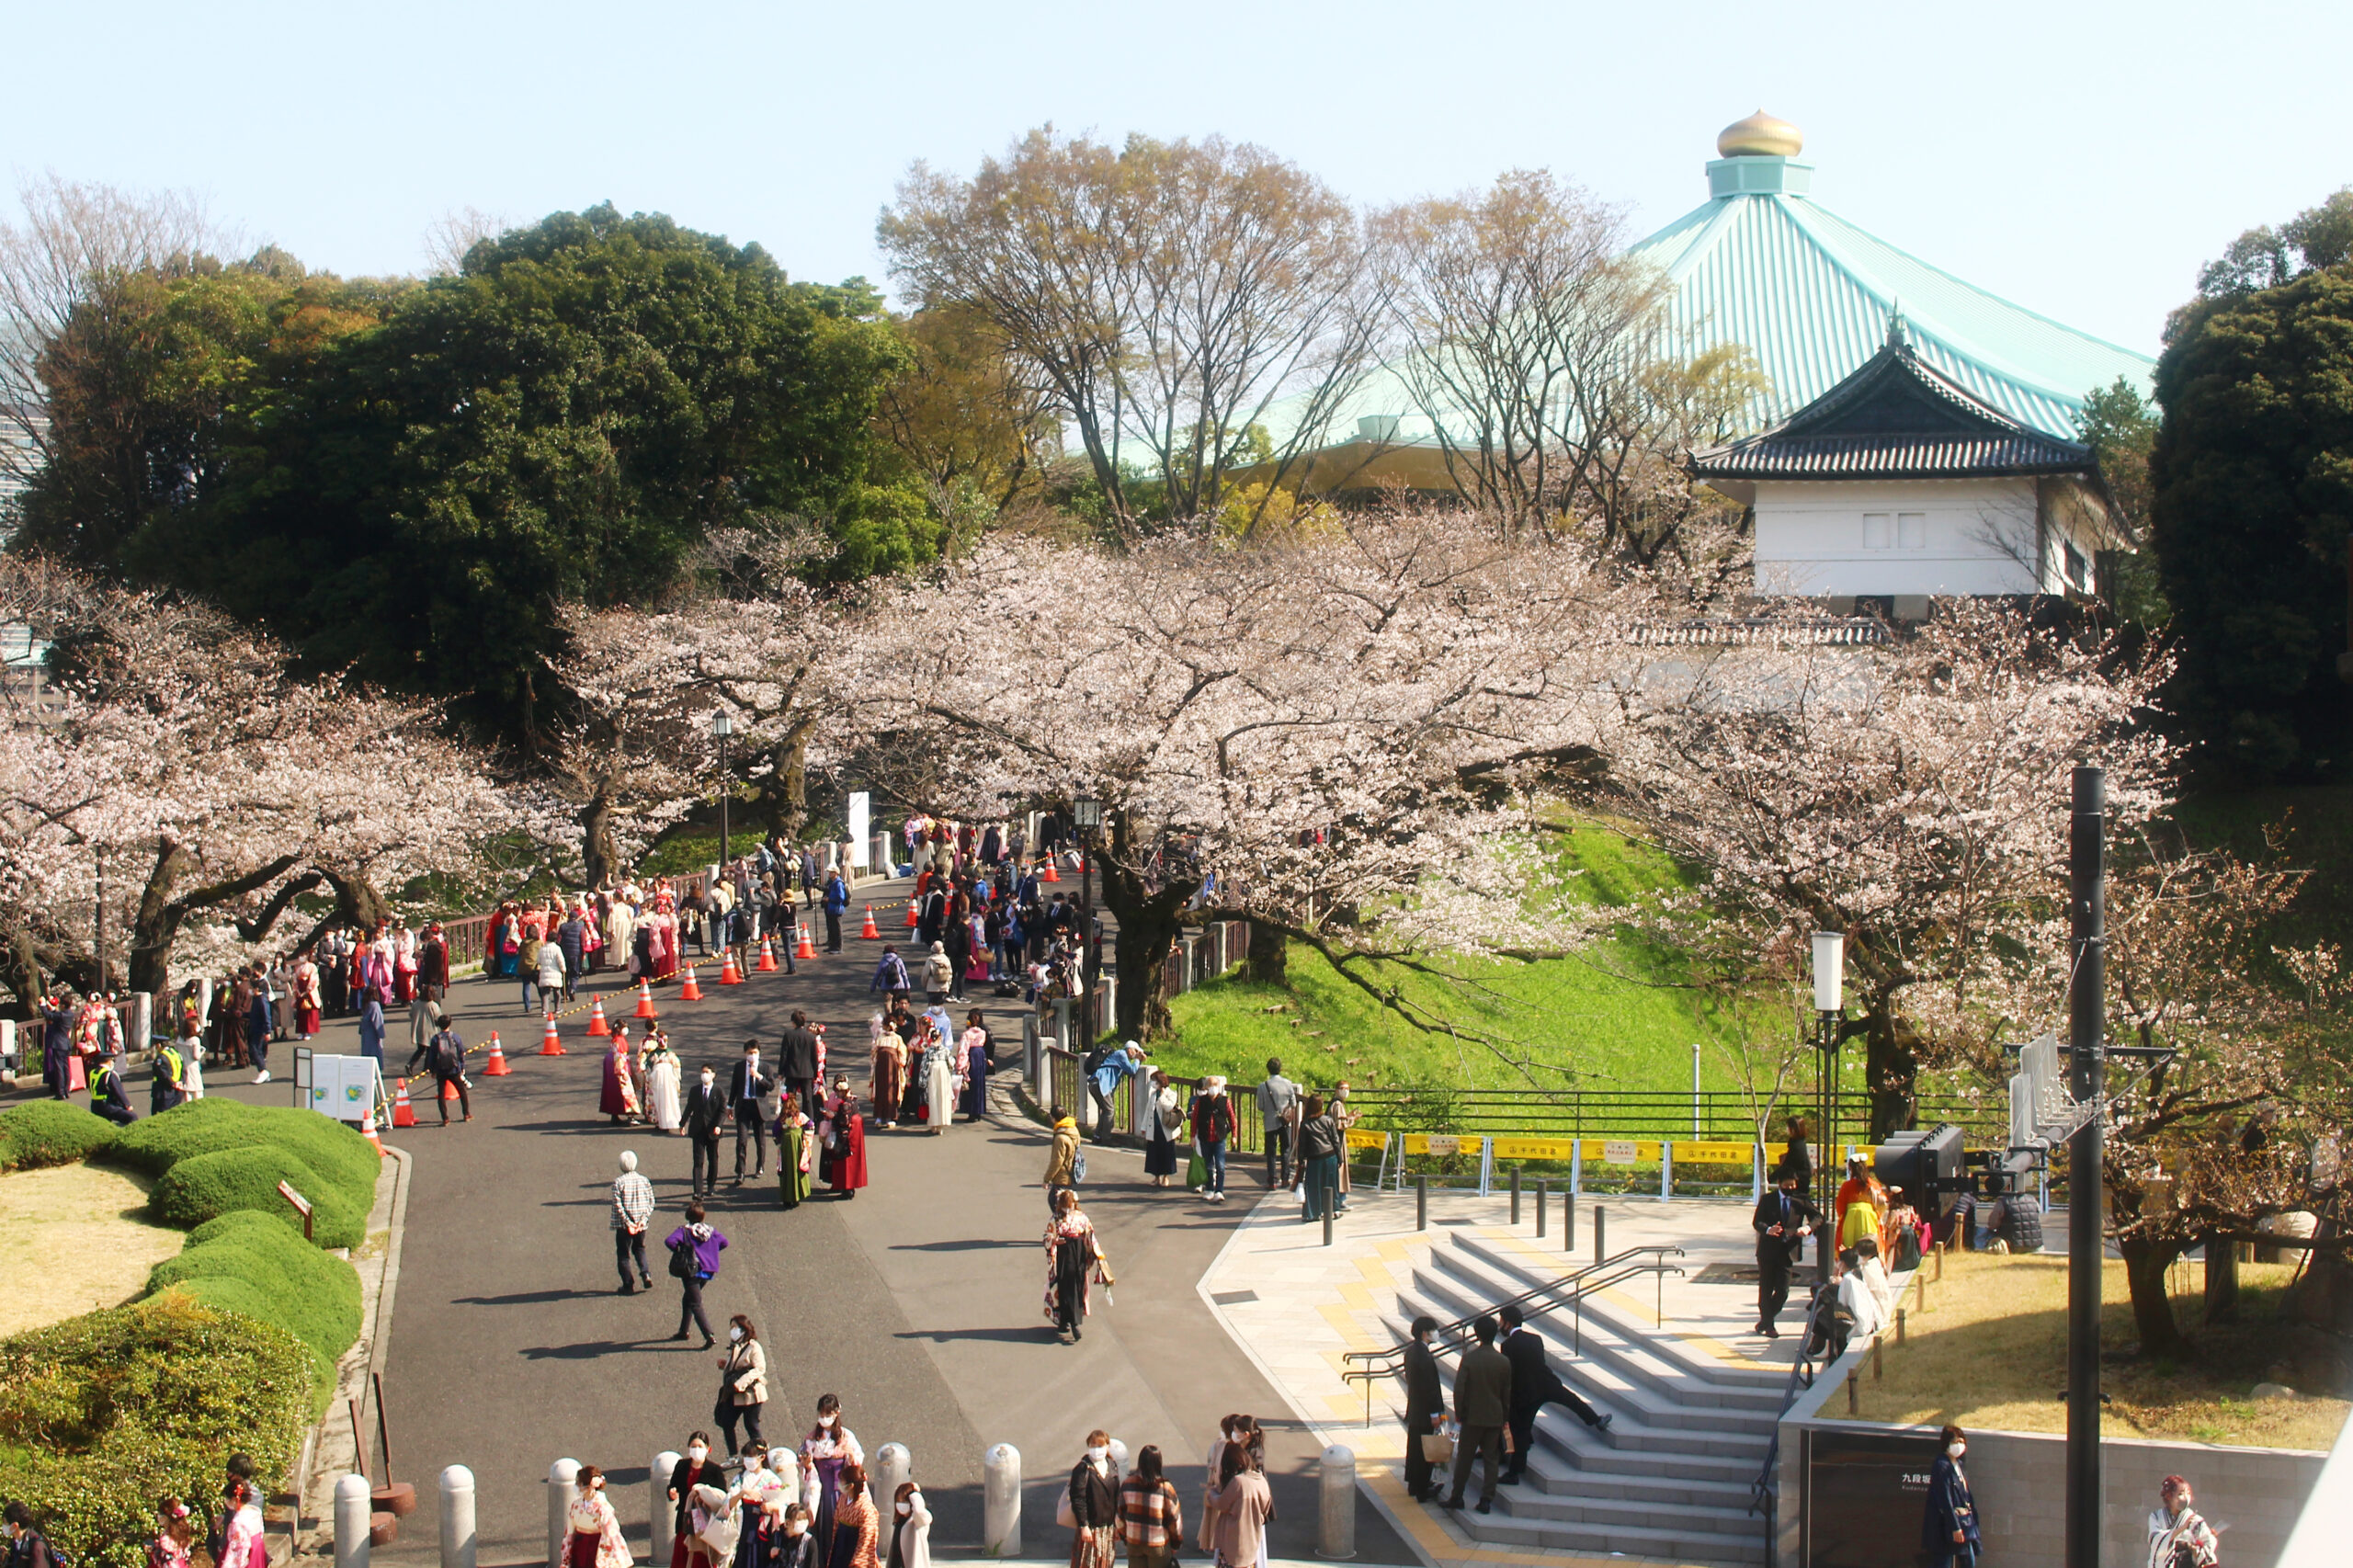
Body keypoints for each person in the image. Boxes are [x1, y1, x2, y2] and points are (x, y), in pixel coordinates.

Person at [1497, 1302, 1609, 1483]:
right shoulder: (1536, 1339)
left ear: (1508, 1323)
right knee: (1572, 1401)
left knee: (1521, 1430)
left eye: (1501, 1321)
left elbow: (1513, 1373)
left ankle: (1514, 1473)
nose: (1500, 1325)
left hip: (1526, 1392)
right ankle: (1596, 1420)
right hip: (1547, 1383)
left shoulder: (1507, 1346)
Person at [1444, 1313, 1513, 1515]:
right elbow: (1506, 1393)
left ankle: (1457, 1496)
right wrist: (1504, 1417)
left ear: (1477, 1334)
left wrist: (1459, 1413)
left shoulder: (1469, 1359)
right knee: (1491, 1459)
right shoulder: (1503, 1362)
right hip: (1494, 1416)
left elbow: (1459, 1389)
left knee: (1465, 1458)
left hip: (1472, 1417)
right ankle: (1486, 1500)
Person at [1752, 1163, 1822, 1338]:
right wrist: (1768, 1229)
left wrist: (1808, 1228)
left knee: (1783, 1291)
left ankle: (1764, 1321)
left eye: (1793, 1185)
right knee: (1766, 1289)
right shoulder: (1768, 1200)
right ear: (1780, 1184)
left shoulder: (1801, 1200)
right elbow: (1757, 1222)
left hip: (1788, 1251)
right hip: (1768, 1251)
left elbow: (1817, 1217)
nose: (1790, 1188)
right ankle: (1769, 1326)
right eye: (1787, 1185)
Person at [800, 1395, 866, 1560]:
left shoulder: (846, 1436)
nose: (824, 1418)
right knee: (823, 1526)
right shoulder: (811, 1438)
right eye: (821, 1414)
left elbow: (857, 1461)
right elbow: (803, 1462)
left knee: (843, 1526)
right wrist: (807, 1464)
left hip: (842, 1487)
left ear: (837, 1412)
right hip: (821, 1488)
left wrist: (851, 1457)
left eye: (828, 1414)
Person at [1045, 1187, 1113, 1343]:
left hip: (1079, 1252)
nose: (1069, 1208)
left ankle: (1065, 1320)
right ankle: (1073, 1323)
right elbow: (1047, 1235)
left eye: (1070, 1204)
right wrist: (1054, 1240)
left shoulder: (1081, 1217)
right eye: (1066, 1204)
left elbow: (1090, 1235)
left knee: (1078, 1284)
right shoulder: (1056, 1218)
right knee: (1066, 1285)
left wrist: (1098, 1254)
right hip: (1064, 1253)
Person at [665, 1199, 726, 1349]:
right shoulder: (711, 1231)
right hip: (708, 1270)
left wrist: (681, 1250)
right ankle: (683, 1330)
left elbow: (670, 1241)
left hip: (691, 1270)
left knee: (695, 1303)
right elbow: (724, 1242)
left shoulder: (684, 1231)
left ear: (688, 1216)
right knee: (688, 1298)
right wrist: (711, 1252)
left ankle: (708, 1334)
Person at [1918, 1425, 1980, 1568]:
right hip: (1945, 1527)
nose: (1959, 1445)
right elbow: (1944, 1499)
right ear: (1946, 1444)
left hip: (1964, 1524)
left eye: (1961, 1441)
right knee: (1944, 1562)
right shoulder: (1941, 1465)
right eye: (1955, 1442)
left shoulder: (1959, 1465)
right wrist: (1955, 1527)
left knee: (1969, 1561)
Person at [1203, 1441, 1271, 1568]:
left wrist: (1211, 1493)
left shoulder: (1238, 1482)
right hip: (1252, 1540)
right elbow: (1266, 1508)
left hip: (1233, 1541)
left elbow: (1221, 1503)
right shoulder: (1260, 1480)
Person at [1401, 1315, 1447, 1503]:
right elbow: (1430, 1388)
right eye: (1433, 1331)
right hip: (1425, 1412)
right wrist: (1435, 1414)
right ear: (1424, 1334)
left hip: (1415, 1410)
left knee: (1414, 1449)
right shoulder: (1424, 1356)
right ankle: (1422, 1488)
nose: (1436, 1333)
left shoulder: (1411, 1351)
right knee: (1424, 1452)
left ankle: (1413, 1484)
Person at [669, 1437, 730, 1568]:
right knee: (682, 1557)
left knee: (701, 1557)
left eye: (700, 1446)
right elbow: (673, 1485)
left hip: (704, 1520)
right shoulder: (682, 1466)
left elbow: (722, 1495)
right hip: (685, 1518)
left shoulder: (714, 1470)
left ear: (708, 1449)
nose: (696, 1449)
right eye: (693, 1446)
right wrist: (672, 1492)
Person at [1117, 1445, 1181, 1568]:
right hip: (1158, 1544)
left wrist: (1125, 1537)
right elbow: (1175, 1521)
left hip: (1134, 1543)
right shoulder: (1165, 1488)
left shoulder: (1127, 1484)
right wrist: (1175, 1543)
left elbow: (1119, 1517)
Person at [716, 1313, 770, 1456]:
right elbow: (737, 1366)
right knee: (727, 1422)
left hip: (751, 1394)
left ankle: (761, 1454)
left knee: (751, 1425)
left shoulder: (754, 1347)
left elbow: (759, 1369)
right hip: (736, 1393)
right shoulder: (736, 1345)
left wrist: (740, 1383)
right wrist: (725, 1365)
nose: (732, 1331)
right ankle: (733, 1455)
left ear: (744, 1329)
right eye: (731, 1327)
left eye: (735, 1327)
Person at [1068, 1431, 1121, 1568]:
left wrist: (1117, 1525)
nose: (1096, 1449)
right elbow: (1078, 1499)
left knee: (1106, 1563)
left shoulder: (1112, 1465)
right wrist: (1084, 1525)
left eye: (1100, 1445)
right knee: (1088, 1563)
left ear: (1107, 1446)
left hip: (1108, 1528)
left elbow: (1116, 1496)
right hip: (1091, 1528)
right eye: (1093, 1445)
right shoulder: (1083, 1468)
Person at [2145, 1474, 2219, 1568]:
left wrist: (2193, 1548)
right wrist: (2182, 1528)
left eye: (2188, 1493)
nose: (2186, 1498)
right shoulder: (2156, 1516)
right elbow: (2156, 1540)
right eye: (2180, 1494)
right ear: (2169, 1496)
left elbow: (2209, 1545)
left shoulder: (2196, 1520)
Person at [567, 1465, 631, 1568]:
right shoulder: (576, 1504)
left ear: (589, 1485)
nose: (577, 1486)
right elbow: (570, 1529)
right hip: (579, 1545)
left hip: (596, 1547)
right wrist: (567, 1548)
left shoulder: (603, 1507)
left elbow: (611, 1533)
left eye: (579, 1483)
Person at [732, 1040, 777, 1185]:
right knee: (742, 1139)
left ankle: (760, 1166)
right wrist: (729, 1105)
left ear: (759, 1053)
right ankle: (740, 1171)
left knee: (760, 1139)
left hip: (759, 1106)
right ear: (745, 1053)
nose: (752, 1055)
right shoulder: (739, 1067)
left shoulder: (765, 1067)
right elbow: (734, 1087)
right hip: (744, 1105)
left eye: (755, 1052)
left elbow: (771, 1086)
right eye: (750, 1053)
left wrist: (759, 1076)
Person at [819, 1078, 869, 1198]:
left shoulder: (845, 1105)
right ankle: (848, 1187)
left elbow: (843, 1121)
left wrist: (833, 1116)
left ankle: (847, 1188)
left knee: (844, 1163)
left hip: (846, 1137)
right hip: (854, 1135)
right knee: (852, 1163)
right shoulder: (853, 1101)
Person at [1190, 1077, 1236, 1203]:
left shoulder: (1225, 1101)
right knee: (1208, 1165)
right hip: (1205, 1137)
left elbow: (1232, 1118)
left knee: (1220, 1165)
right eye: (1210, 1085)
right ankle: (1209, 1188)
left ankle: (1219, 1191)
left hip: (1219, 1138)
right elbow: (1195, 1119)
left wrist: (1234, 1135)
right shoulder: (1201, 1101)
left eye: (1215, 1085)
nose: (1213, 1088)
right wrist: (1193, 1136)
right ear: (1206, 1087)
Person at [1298, 1093, 1343, 1221]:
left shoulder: (1305, 1124)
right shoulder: (1328, 1120)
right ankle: (1335, 1210)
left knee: (1313, 1186)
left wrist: (1301, 1160)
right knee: (1331, 1184)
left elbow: (1302, 1145)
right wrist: (1340, 1157)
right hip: (1330, 1156)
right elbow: (1335, 1140)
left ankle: (1313, 1213)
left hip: (1314, 1158)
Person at [1256, 1059, 1302, 1189]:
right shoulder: (1287, 1084)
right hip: (1285, 1123)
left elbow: (1260, 1106)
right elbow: (1293, 1103)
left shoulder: (1263, 1086)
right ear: (1280, 1069)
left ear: (1268, 1069)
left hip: (1270, 1122)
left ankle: (1272, 1181)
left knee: (1271, 1152)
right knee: (1285, 1150)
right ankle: (1285, 1179)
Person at [686, 1062, 728, 1197]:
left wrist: (718, 1125)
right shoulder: (695, 1090)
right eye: (703, 1072)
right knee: (698, 1161)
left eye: (707, 1072)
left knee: (713, 1159)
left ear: (713, 1075)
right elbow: (689, 1107)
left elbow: (722, 1111)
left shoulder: (718, 1091)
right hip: (698, 1130)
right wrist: (682, 1124)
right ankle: (698, 1191)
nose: (704, 1075)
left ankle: (711, 1185)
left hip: (712, 1131)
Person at [824, 1462, 878, 1568]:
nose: (839, 1484)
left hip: (854, 1552)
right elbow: (836, 1526)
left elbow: (866, 1539)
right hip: (839, 1548)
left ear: (851, 1486)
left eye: (842, 1482)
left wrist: (857, 1563)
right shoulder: (843, 1499)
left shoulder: (866, 1509)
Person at [422, 1014, 471, 1126]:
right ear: (450, 1024)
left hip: (441, 1070)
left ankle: (445, 1118)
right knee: (462, 1091)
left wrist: (432, 1070)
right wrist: (461, 1067)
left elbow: (432, 1056)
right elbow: (461, 1053)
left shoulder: (435, 1039)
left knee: (441, 1094)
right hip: (454, 1069)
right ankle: (466, 1114)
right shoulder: (455, 1037)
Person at [1142, 1071, 1182, 1187]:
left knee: (1166, 1153)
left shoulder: (1171, 1094)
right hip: (1154, 1128)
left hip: (1166, 1129)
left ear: (1161, 1081)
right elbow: (1148, 1111)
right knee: (1154, 1153)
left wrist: (1163, 1096)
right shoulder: (1153, 1094)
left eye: (1155, 1081)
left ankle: (1165, 1177)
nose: (1153, 1083)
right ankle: (1156, 1177)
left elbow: (1169, 1107)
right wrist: (1144, 1126)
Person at [602, 1028, 644, 1125]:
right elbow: (619, 1056)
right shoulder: (618, 1040)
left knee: (614, 1091)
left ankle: (614, 1115)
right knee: (627, 1091)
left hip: (613, 1065)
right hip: (620, 1065)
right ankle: (630, 1116)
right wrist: (623, 1071)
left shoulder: (615, 1039)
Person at [644, 1031, 684, 1133]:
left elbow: (677, 1067)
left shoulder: (671, 1054)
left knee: (669, 1100)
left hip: (669, 1081)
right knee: (658, 1100)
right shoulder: (653, 1054)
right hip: (657, 1081)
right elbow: (648, 1068)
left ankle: (668, 1122)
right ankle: (659, 1121)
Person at [1044, 1105, 1082, 1209]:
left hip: (1062, 1176)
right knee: (1066, 1205)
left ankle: (1064, 1220)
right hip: (1071, 1173)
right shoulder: (1073, 1130)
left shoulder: (1060, 1138)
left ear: (1053, 1118)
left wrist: (1047, 1179)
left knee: (1055, 1202)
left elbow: (1057, 1160)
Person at [886, 1483, 930, 1568]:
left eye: (904, 1501)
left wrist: (915, 1493)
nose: (901, 1504)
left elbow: (919, 1511)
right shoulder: (899, 1521)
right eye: (899, 1501)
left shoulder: (918, 1521)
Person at [4, 1504, 61, 1568]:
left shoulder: (37, 1546)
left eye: (5, 1523)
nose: (3, 1526)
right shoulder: (16, 1542)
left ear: (15, 1526)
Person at [958, 1010, 991, 1120]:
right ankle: (979, 1111)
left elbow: (963, 1050)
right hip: (980, 1056)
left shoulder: (967, 1034)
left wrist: (960, 1065)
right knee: (979, 1084)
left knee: (971, 1084)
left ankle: (972, 1112)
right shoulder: (983, 1033)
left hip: (971, 1056)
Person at [89, 1057, 138, 1125]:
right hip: (107, 1105)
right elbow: (118, 1091)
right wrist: (127, 1105)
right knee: (132, 1117)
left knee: (104, 1124)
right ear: (109, 1061)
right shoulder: (109, 1074)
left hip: (95, 1105)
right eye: (113, 1060)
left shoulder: (93, 1072)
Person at [148, 1498, 196, 1568]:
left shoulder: (166, 1540)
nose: (158, 1516)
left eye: (160, 1513)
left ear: (166, 1517)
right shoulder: (182, 1535)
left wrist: (154, 1550)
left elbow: (165, 1563)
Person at [823, 869, 849, 953]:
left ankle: (838, 947)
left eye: (831, 872)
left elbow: (841, 897)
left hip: (837, 909)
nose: (829, 874)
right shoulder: (833, 883)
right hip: (832, 909)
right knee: (832, 929)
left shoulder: (839, 884)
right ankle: (832, 946)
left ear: (836, 873)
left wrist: (830, 898)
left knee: (837, 929)